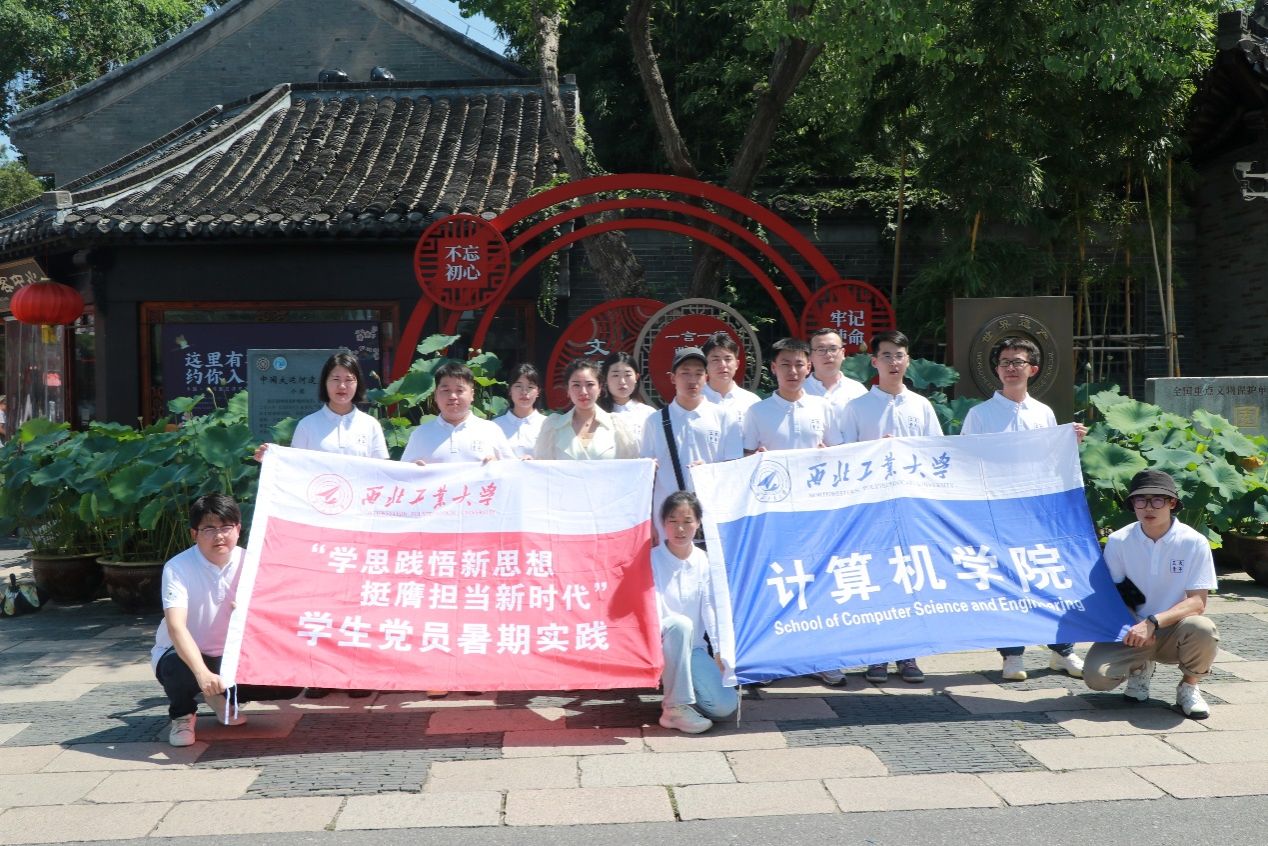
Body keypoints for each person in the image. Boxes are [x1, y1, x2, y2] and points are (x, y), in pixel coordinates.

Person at [255, 350, 387, 698]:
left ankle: (357, 673)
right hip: (320, 529)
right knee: (320, 601)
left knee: (357, 602)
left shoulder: (370, 426)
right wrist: (273, 458)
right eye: (335, 379)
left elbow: (384, 474)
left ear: (358, 384)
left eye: (349, 379)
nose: (342, 386)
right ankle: (319, 673)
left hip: (359, 527)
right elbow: (295, 471)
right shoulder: (309, 426)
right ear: (324, 383)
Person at [960, 337, 1087, 682]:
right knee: (1007, 582)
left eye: (1018, 362)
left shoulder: (1043, 413)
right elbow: (966, 462)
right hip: (998, 511)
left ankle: (1062, 650)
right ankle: (1012, 655)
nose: (1011, 368)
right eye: (1004, 362)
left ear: (1032, 369)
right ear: (997, 369)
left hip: (1038, 511)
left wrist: (1069, 442)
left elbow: (1050, 461)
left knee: (1049, 576)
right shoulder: (980, 415)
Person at [832, 329, 942, 684]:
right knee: (876, 579)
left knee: (910, 578)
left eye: (899, 355)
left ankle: (908, 655)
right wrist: (876, 451)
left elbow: (938, 456)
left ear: (908, 360)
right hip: (871, 510)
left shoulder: (921, 406)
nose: (894, 362)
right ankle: (876, 655)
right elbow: (844, 458)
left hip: (911, 508)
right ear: (874, 361)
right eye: (887, 355)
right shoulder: (857, 407)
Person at [153, 494, 301, 747]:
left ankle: (222, 697)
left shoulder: (253, 563)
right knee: (176, 669)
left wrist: (250, 613)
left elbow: (276, 614)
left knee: (289, 681)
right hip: (185, 654)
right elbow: (176, 627)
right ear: (194, 533)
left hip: (234, 653)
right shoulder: (178, 568)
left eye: (226, 527)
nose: (219, 536)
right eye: (209, 529)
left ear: (238, 529)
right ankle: (182, 715)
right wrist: (202, 674)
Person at [1083, 470, 1220, 719]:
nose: (1148, 507)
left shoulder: (1194, 542)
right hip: (1130, 628)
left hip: (1175, 628)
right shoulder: (1119, 540)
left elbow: (1197, 602)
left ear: (1172, 503)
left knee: (1203, 628)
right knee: (1096, 678)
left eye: (1157, 500)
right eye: (1141, 500)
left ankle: (1189, 687)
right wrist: (1136, 625)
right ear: (1132, 504)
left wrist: (1152, 623)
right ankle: (1140, 668)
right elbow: (1115, 593)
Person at [653, 491, 738, 733]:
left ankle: (681, 691)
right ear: (663, 523)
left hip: (693, 649)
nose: (680, 529)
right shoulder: (650, 559)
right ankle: (674, 709)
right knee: (679, 624)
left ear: (698, 523)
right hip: (658, 644)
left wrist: (719, 650)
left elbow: (710, 607)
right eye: (673, 521)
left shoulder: (705, 561)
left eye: (687, 521)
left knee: (724, 707)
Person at [640, 347, 743, 525]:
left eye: (698, 373)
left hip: (713, 513)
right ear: (673, 378)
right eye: (685, 373)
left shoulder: (725, 417)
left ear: (706, 377)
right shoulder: (655, 421)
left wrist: (709, 471)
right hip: (667, 517)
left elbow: (734, 469)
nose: (692, 380)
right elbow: (646, 475)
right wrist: (649, 522)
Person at [401, 360, 514, 464]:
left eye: (460, 390)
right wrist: (414, 470)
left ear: (472, 395)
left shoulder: (491, 430)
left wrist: (498, 466)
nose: (452, 396)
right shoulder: (420, 434)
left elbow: (513, 470)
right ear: (435, 395)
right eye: (446, 390)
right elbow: (402, 474)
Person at [535, 358, 640, 460]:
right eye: (576, 385)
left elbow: (631, 466)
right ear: (568, 389)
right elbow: (543, 467)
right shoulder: (553, 426)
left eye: (590, 384)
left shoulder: (617, 425)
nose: (583, 392)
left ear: (600, 388)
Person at [743, 338, 831, 455]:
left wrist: (828, 453)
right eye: (785, 364)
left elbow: (837, 449)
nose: (793, 371)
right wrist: (756, 457)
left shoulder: (823, 406)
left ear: (808, 368)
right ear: (773, 367)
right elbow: (747, 453)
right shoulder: (756, 411)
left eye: (799, 365)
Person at [700, 332, 760, 422]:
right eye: (715, 359)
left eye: (728, 359)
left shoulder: (752, 402)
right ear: (705, 365)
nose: (723, 365)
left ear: (737, 364)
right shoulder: (693, 399)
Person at [600, 351, 657, 442]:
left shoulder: (648, 413)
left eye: (627, 375)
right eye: (615, 375)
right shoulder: (597, 412)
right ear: (605, 378)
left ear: (636, 377)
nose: (622, 381)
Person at [494, 362, 546, 458]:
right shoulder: (495, 425)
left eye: (530, 387)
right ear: (510, 390)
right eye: (518, 386)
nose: (524, 392)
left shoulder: (547, 424)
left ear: (538, 392)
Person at [804, 328, 867, 408]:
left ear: (843, 353)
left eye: (833, 349)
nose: (828, 355)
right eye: (821, 350)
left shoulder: (857, 390)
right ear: (810, 356)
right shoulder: (798, 390)